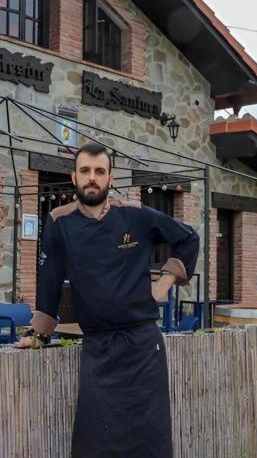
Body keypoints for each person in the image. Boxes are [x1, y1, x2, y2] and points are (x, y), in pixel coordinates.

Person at [16, 142, 200, 457]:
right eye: (85, 171)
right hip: (98, 348)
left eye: (99, 171)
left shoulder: (136, 216)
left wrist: (165, 281)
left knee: (150, 444)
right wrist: (40, 331)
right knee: (94, 444)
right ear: (74, 178)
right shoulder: (60, 221)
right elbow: (49, 279)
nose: (92, 178)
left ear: (110, 178)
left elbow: (189, 238)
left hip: (143, 345)